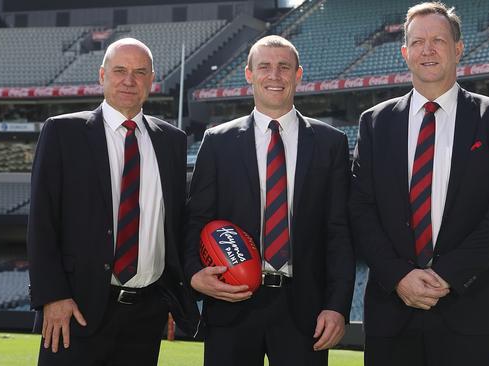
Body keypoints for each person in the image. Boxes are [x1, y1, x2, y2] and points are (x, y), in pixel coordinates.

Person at [349, 2, 489, 366]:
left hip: (470, 312)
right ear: (404, 52)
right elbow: (360, 209)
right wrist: (399, 276)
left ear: (458, 48)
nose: (427, 50)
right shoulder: (375, 122)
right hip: (392, 313)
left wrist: (445, 275)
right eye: (417, 42)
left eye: (438, 40)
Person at [27, 38, 200, 366]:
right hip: (76, 308)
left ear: (152, 80)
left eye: (140, 72)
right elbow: (42, 222)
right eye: (120, 70)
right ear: (102, 75)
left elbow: (174, 225)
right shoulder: (63, 132)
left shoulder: (172, 141)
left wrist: (172, 296)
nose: (129, 80)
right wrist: (53, 296)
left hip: (146, 313)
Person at [184, 35, 355, 366]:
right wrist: (193, 273)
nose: (274, 75)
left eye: (284, 67)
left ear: (298, 74)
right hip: (231, 300)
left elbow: (338, 231)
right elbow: (196, 219)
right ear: (249, 74)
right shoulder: (218, 142)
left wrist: (337, 305)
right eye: (264, 66)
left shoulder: (330, 143)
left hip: (304, 310)